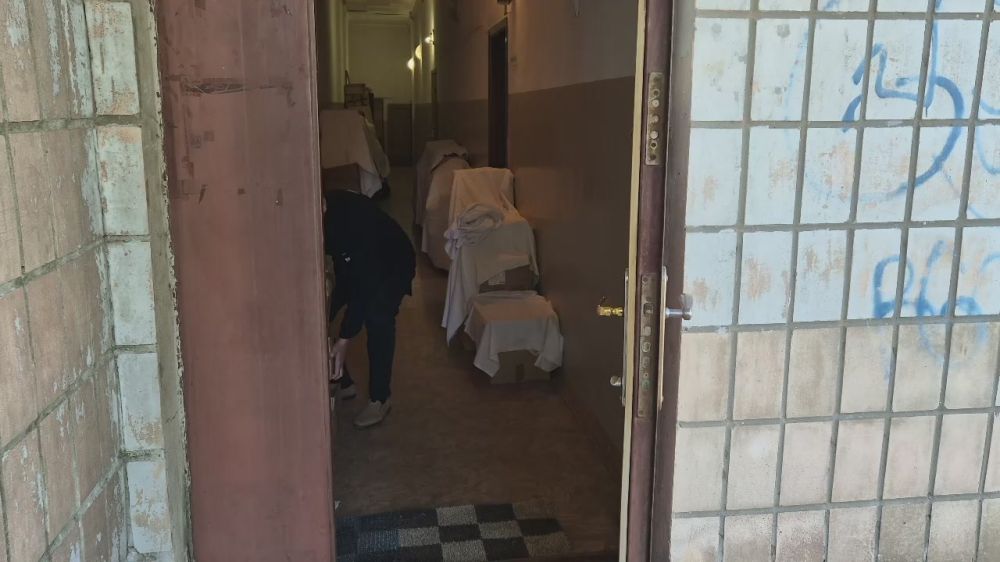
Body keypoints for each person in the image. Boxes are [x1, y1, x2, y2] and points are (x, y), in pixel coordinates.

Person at [325, 189, 416, 428]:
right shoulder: (318, 219)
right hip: (356, 263)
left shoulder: (353, 217)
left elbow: (364, 283)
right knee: (322, 312)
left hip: (393, 263)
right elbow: (346, 267)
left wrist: (345, 338)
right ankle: (342, 381)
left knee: (378, 315)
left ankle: (380, 398)